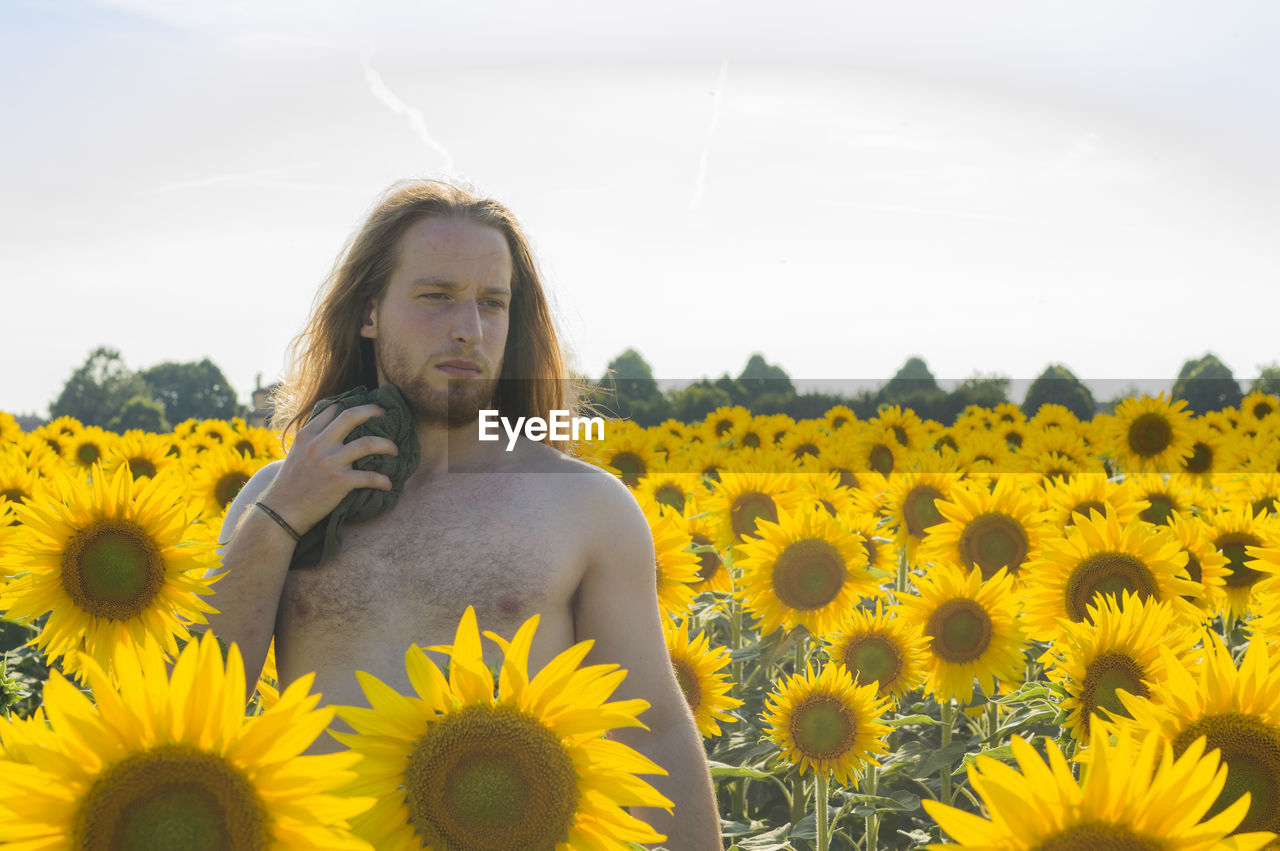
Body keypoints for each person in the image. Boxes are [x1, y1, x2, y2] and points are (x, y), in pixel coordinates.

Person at [203, 179, 722, 848]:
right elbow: (197, 705)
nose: (467, 329)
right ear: (369, 312)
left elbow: (654, 725)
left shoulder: (584, 506)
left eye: (492, 303)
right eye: (435, 297)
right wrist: (279, 518)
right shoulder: (274, 498)